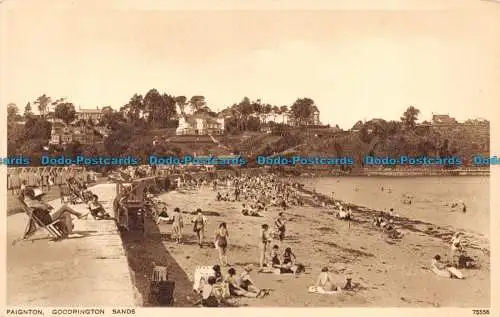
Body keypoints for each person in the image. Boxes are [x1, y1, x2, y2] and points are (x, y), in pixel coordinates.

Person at [22, 188, 87, 238]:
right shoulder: (31, 202)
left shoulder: (31, 201)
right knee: (64, 206)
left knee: (66, 213)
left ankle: (70, 233)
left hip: (46, 218)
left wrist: (44, 205)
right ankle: (78, 214)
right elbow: (44, 208)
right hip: (46, 219)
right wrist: (43, 204)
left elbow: (47, 208)